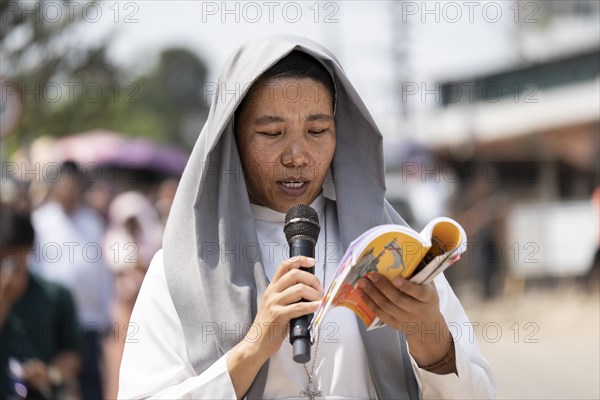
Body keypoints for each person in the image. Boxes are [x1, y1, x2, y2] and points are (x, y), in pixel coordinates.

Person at [119, 36, 496, 399]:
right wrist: (252, 349)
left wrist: (430, 334)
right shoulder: (183, 270)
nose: (297, 155)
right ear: (232, 140)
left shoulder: (390, 248)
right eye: (271, 133)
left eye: (317, 131)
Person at [30, 161, 113, 400]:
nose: (70, 191)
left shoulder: (92, 222)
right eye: (66, 185)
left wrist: (105, 313)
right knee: (53, 381)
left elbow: (102, 272)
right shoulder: (40, 221)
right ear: (56, 187)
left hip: (88, 319)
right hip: (51, 318)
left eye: (75, 186)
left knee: (91, 384)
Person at [0, 204, 83, 399]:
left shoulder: (55, 294)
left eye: (14, 260)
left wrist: (49, 373)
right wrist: (4, 299)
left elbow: (74, 354)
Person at [102, 191, 163, 399]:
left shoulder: (151, 236)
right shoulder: (114, 239)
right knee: (118, 359)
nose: (131, 224)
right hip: (123, 310)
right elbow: (123, 266)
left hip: (144, 308)